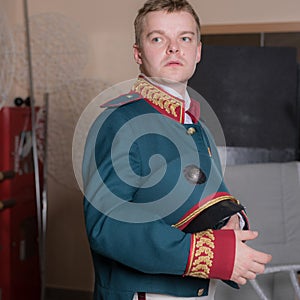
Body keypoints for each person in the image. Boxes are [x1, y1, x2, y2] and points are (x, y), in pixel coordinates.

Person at [82, 0, 272, 299]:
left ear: (198, 51)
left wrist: (230, 222)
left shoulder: (198, 126)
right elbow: (106, 226)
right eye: (158, 38)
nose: (174, 48)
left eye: (184, 38)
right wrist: (209, 255)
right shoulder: (119, 120)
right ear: (138, 53)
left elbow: (203, 199)